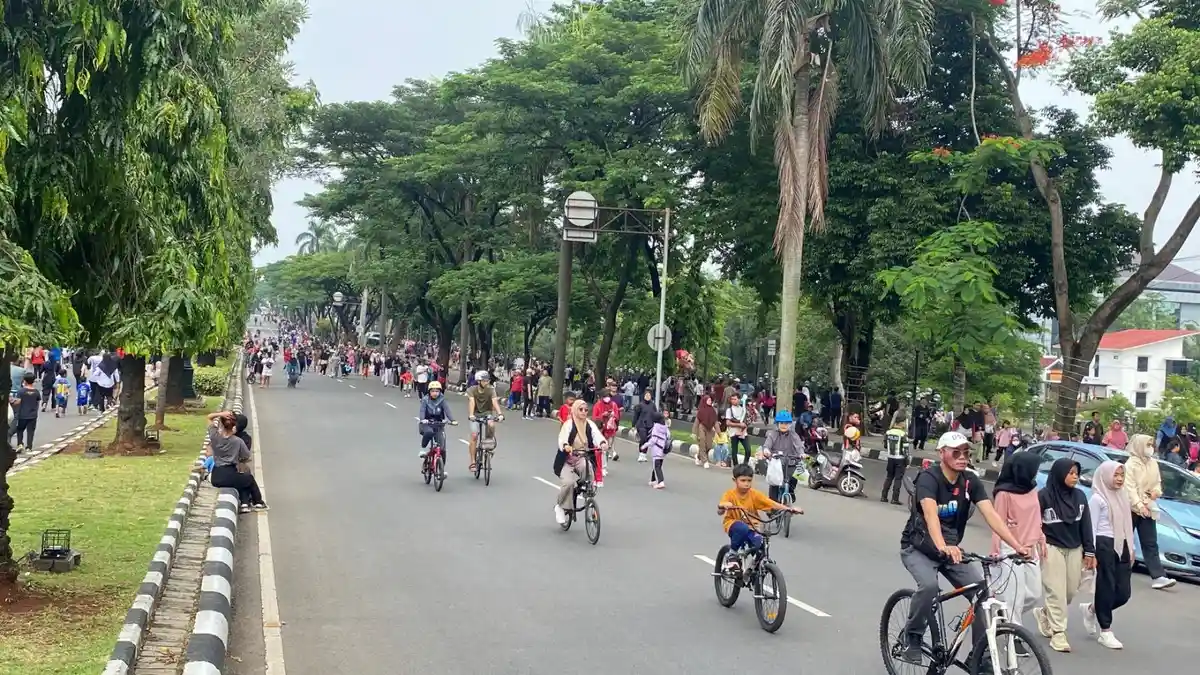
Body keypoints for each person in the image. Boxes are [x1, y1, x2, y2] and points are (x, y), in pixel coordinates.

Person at [898, 431, 1031, 664]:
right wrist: (943, 546)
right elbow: (931, 516)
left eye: (966, 453)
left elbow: (991, 515)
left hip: (950, 550)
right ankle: (913, 636)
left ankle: (978, 657)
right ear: (942, 453)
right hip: (918, 547)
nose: (962, 457)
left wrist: (1017, 545)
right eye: (955, 452)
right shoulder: (929, 479)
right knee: (929, 587)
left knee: (983, 595)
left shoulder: (970, 481)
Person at [1032, 457, 1095, 652]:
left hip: (1075, 548)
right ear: (1060, 474)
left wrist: (1090, 551)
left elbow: (1086, 525)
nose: (1075, 477)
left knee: (1069, 592)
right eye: (1071, 473)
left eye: (1077, 473)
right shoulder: (1044, 496)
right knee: (1056, 590)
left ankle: (1045, 613)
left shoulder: (1080, 497)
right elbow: (1034, 523)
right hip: (1051, 548)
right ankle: (1058, 634)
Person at [990, 452, 1044, 640]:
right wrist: (996, 550)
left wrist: (1040, 537)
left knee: (1034, 594)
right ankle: (1013, 636)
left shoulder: (1032, 489)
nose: (1035, 474)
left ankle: (1003, 614)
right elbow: (997, 524)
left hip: (1030, 548)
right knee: (1015, 595)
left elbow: (1036, 516)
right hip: (1010, 548)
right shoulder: (1004, 494)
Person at [1080, 460, 1133, 650]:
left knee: (1123, 593)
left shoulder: (1122, 495)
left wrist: (1131, 546)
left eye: (1122, 475)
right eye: (1115, 475)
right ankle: (1106, 630)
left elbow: (1127, 523)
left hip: (1122, 543)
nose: (1119, 479)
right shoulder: (1097, 498)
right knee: (1106, 587)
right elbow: (1090, 527)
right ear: (1105, 476)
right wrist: (1090, 552)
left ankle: (1092, 608)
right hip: (1104, 544)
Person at [717, 463, 802, 572]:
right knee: (742, 528)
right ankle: (732, 555)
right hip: (734, 524)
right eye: (743, 481)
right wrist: (723, 506)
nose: (746, 484)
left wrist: (788, 509)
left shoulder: (754, 494)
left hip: (752, 526)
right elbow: (720, 510)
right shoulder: (729, 494)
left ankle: (754, 572)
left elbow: (770, 503)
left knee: (760, 545)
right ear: (735, 480)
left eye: (749, 481)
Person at [1121, 434, 1176, 589]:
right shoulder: (1130, 465)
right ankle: (1119, 570)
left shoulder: (1153, 464)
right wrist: (1139, 506)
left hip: (1148, 505)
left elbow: (1157, 483)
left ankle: (1158, 576)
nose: (1150, 448)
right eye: (1148, 445)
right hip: (1131, 508)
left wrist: (1156, 492)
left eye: (1152, 445)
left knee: (1150, 542)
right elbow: (1129, 488)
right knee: (1124, 541)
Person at [554, 398, 606, 525]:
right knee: (568, 483)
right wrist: (566, 446)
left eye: (586, 410)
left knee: (588, 471)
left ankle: (586, 491)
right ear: (575, 410)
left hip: (582, 457)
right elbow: (562, 438)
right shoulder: (569, 424)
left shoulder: (589, 424)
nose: (583, 412)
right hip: (567, 460)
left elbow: (597, 435)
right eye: (580, 409)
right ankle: (560, 506)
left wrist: (602, 443)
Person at [205, 410, 267, 513]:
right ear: (234, 426)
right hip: (230, 473)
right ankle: (257, 502)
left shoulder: (215, 437)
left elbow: (209, 417)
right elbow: (247, 457)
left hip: (216, 476)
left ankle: (245, 504)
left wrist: (221, 414)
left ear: (221, 424)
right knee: (247, 479)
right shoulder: (238, 441)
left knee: (241, 479)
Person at [761, 410, 804, 501]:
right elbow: (767, 445)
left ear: (790, 424)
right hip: (776, 463)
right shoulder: (773, 434)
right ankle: (772, 505)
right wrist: (766, 451)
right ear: (777, 424)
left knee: (796, 475)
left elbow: (799, 446)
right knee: (774, 483)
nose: (784, 425)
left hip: (791, 462)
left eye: (786, 423)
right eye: (781, 423)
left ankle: (791, 491)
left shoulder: (794, 435)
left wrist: (801, 454)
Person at [465, 370, 503, 474]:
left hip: (487, 413)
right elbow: (472, 402)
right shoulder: (471, 390)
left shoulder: (491, 390)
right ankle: (473, 461)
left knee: (491, 424)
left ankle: (489, 443)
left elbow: (494, 402)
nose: (487, 382)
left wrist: (500, 414)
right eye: (484, 381)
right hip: (475, 415)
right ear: (479, 381)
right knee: (474, 436)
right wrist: (471, 414)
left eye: (487, 380)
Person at [418, 380, 455, 459]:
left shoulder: (442, 400)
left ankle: (440, 466)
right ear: (429, 392)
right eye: (433, 391)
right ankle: (423, 448)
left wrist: (452, 420)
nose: (435, 393)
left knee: (442, 446)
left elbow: (447, 410)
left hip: (438, 424)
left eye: (437, 391)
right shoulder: (425, 400)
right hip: (426, 423)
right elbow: (422, 411)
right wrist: (422, 419)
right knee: (429, 432)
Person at [591, 389, 621, 477]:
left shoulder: (613, 405)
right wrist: (602, 415)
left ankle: (604, 467)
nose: (607, 398)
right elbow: (594, 417)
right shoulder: (598, 405)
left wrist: (613, 416)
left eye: (608, 396)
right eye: (605, 397)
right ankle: (600, 467)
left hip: (610, 430)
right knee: (600, 450)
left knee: (606, 449)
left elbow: (617, 416)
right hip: (600, 430)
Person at [881, 418, 909, 504]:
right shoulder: (903, 434)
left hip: (890, 458)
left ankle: (883, 496)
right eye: (905, 422)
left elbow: (885, 445)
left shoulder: (888, 432)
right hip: (900, 459)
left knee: (889, 477)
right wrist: (907, 462)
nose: (905, 424)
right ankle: (895, 499)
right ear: (901, 423)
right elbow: (906, 450)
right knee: (898, 479)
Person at [10, 371, 40, 451]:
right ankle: (29, 447)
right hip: (33, 415)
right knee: (31, 431)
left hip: (22, 414)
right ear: (33, 381)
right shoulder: (36, 392)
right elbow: (37, 403)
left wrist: (11, 402)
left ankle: (20, 444)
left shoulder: (21, 391)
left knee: (20, 429)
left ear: (24, 381)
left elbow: (18, 402)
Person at [642, 412, 669, 489]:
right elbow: (668, 436)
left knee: (657, 466)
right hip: (663, 449)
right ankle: (653, 480)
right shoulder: (665, 427)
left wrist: (645, 445)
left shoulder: (656, 427)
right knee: (657, 465)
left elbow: (653, 440)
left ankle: (661, 481)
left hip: (657, 449)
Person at [631, 388, 658, 462]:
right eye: (646, 395)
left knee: (647, 440)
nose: (648, 396)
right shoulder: (640, 405)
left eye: (649, 395)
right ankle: (640, 454)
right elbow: (636, 416)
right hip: (641, 424)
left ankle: (644, 455)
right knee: (643, 438)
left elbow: (655, 415)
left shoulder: (653, 405)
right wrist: (633, 425)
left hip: (650, 425)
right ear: (644, 396)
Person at [693, 395, 719, 469]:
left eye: (710, 400)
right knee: (702, 442)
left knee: (709, 445)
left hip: (710, 429)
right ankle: (705, 461)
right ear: (705, 401)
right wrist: (694, 432)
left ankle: (698, 456)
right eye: (708, 400)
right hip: (702, 427)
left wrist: (718, 432)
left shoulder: (713, 410)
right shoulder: (701, 410)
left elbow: (715, 421)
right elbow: (696, 422)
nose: (710, 402)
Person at [724, 393, 750, 466]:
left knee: (748, 450)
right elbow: (728, 423)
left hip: (743, 433)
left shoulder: (743, 409)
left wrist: (745, 424)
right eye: (732, 399)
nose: (733, 401)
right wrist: (739, 424)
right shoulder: (729, 410)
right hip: (734, 433)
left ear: (739, 400)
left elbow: (746, 420)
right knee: (734, 451)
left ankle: (745, 465)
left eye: (735, 399)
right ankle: (736, 467)